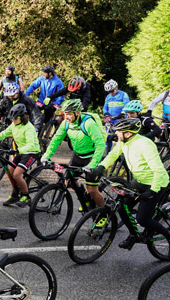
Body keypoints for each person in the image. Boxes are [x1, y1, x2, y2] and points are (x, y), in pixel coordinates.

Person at [93, 117, 170, 249]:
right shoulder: (124, 142)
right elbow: (113, 155)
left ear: (128, 133)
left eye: (119, 131)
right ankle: (134, 235)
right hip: (139, 180)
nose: (116, 133)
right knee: (122, 208)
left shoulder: (145, 145)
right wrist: (101, 167)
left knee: (143, 219)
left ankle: (168, 236)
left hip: (156, 182)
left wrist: (152, 191)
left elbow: (158, 170)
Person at [40, 98, 106, 211]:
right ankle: (85, 198)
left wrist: (93, 164)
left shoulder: (88, 123)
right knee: (69, 182)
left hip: (92, 157)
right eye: (65, 114)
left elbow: (100, 144)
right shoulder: (66, 123)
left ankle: (104, 213)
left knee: (92, 189)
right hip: (78, 155)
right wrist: (46, 155)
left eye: (69, 114)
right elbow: (56, 139)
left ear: (78, 113)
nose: (66, 117)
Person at [0, 104, 41, 207]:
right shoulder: (14, 125)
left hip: (31, 152)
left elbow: (31, 145)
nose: (13, 120)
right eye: (12, 118)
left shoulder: (28, 128)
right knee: (10, 171)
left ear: (22, 117)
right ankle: (15, 194)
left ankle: (26, 196)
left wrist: (17, 151)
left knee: (17, 174)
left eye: (15, 118)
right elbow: (3, 134)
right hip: (20, 152)